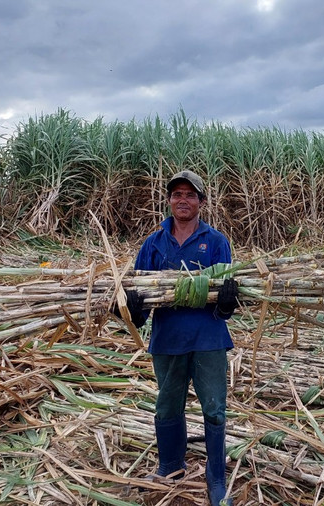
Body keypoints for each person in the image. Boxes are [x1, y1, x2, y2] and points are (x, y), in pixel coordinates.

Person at [116, 169, 238, 506]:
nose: (182, 200)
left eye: (190, 194)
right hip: (168, 339)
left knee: (214, 409)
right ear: (169, 200)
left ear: (201, 201)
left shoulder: (216, 241)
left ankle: (216, 480)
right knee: (168, 404)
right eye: (176, 194)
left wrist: (228, 303)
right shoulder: (153, 244)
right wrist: (128, 306)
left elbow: (224, 302)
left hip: (208, 338)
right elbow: (137, 299)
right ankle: (170, 466)